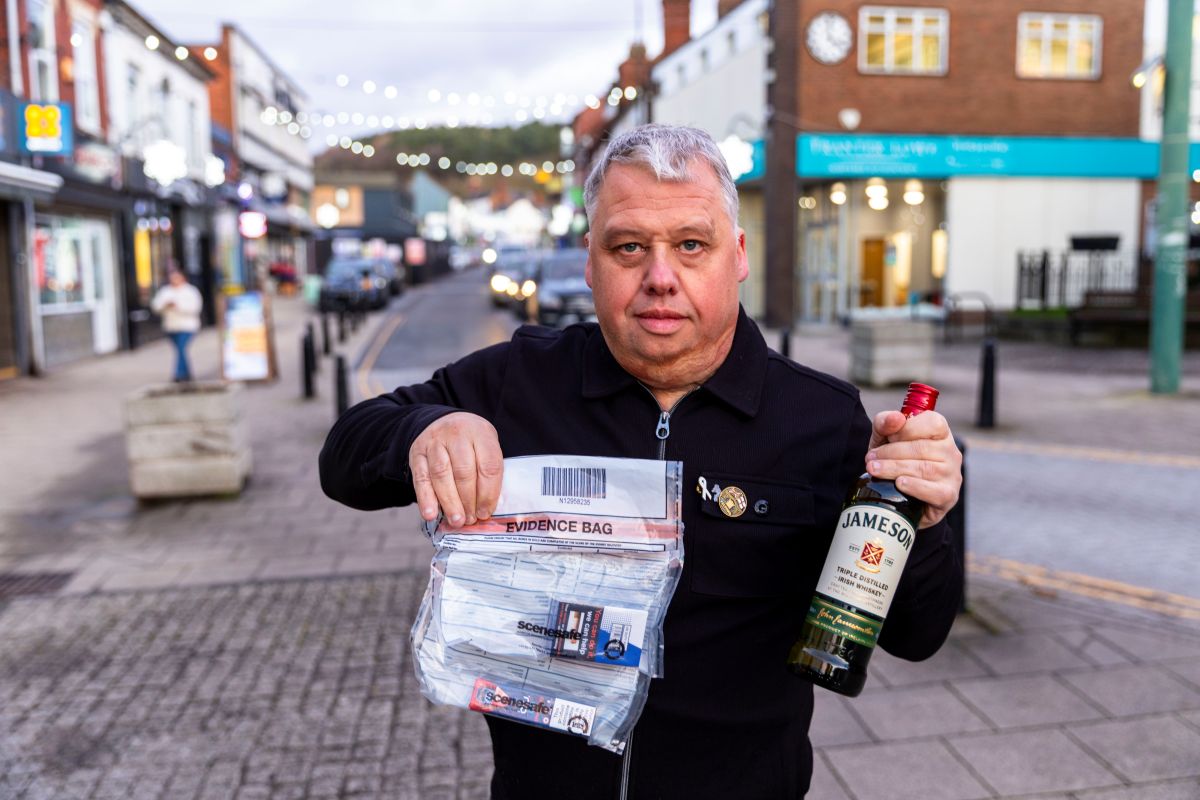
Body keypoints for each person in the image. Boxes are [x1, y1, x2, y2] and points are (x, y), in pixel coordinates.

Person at [319, 124, 963, 799]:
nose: (661, 278)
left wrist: (928, 518)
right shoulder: (518, 382)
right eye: (629, 247)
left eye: (691, 245)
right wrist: (425, 429)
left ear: (737, 255)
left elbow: (917, 635)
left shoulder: (822, 421)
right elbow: (344, 460)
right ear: (592, 262)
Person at [150, 267, 203, 382]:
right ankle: (187, 374)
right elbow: (155, 306)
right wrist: (165, 305)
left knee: (181, 348)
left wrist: (177, 306)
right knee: (180, 350)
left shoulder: (191, 291)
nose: (174, 280)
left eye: (176, 277)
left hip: (187, 326)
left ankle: (179, 375)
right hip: (171, 326)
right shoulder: (165, 291)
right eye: (172, 278)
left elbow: (195, 308)